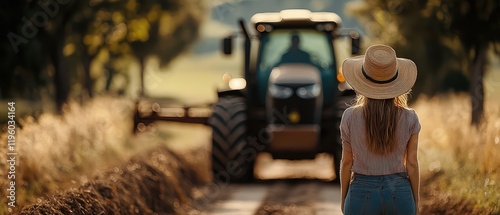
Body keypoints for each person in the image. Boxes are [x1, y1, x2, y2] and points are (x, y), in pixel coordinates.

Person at [339, 44, 421, 215]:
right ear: (396, 82)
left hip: (361, 193)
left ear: (363, 80)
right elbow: (411, 163)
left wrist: (344, 197)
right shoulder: (410, 117)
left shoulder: (349, 117)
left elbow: (347, 162)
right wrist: (416, 200)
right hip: (400, 194)